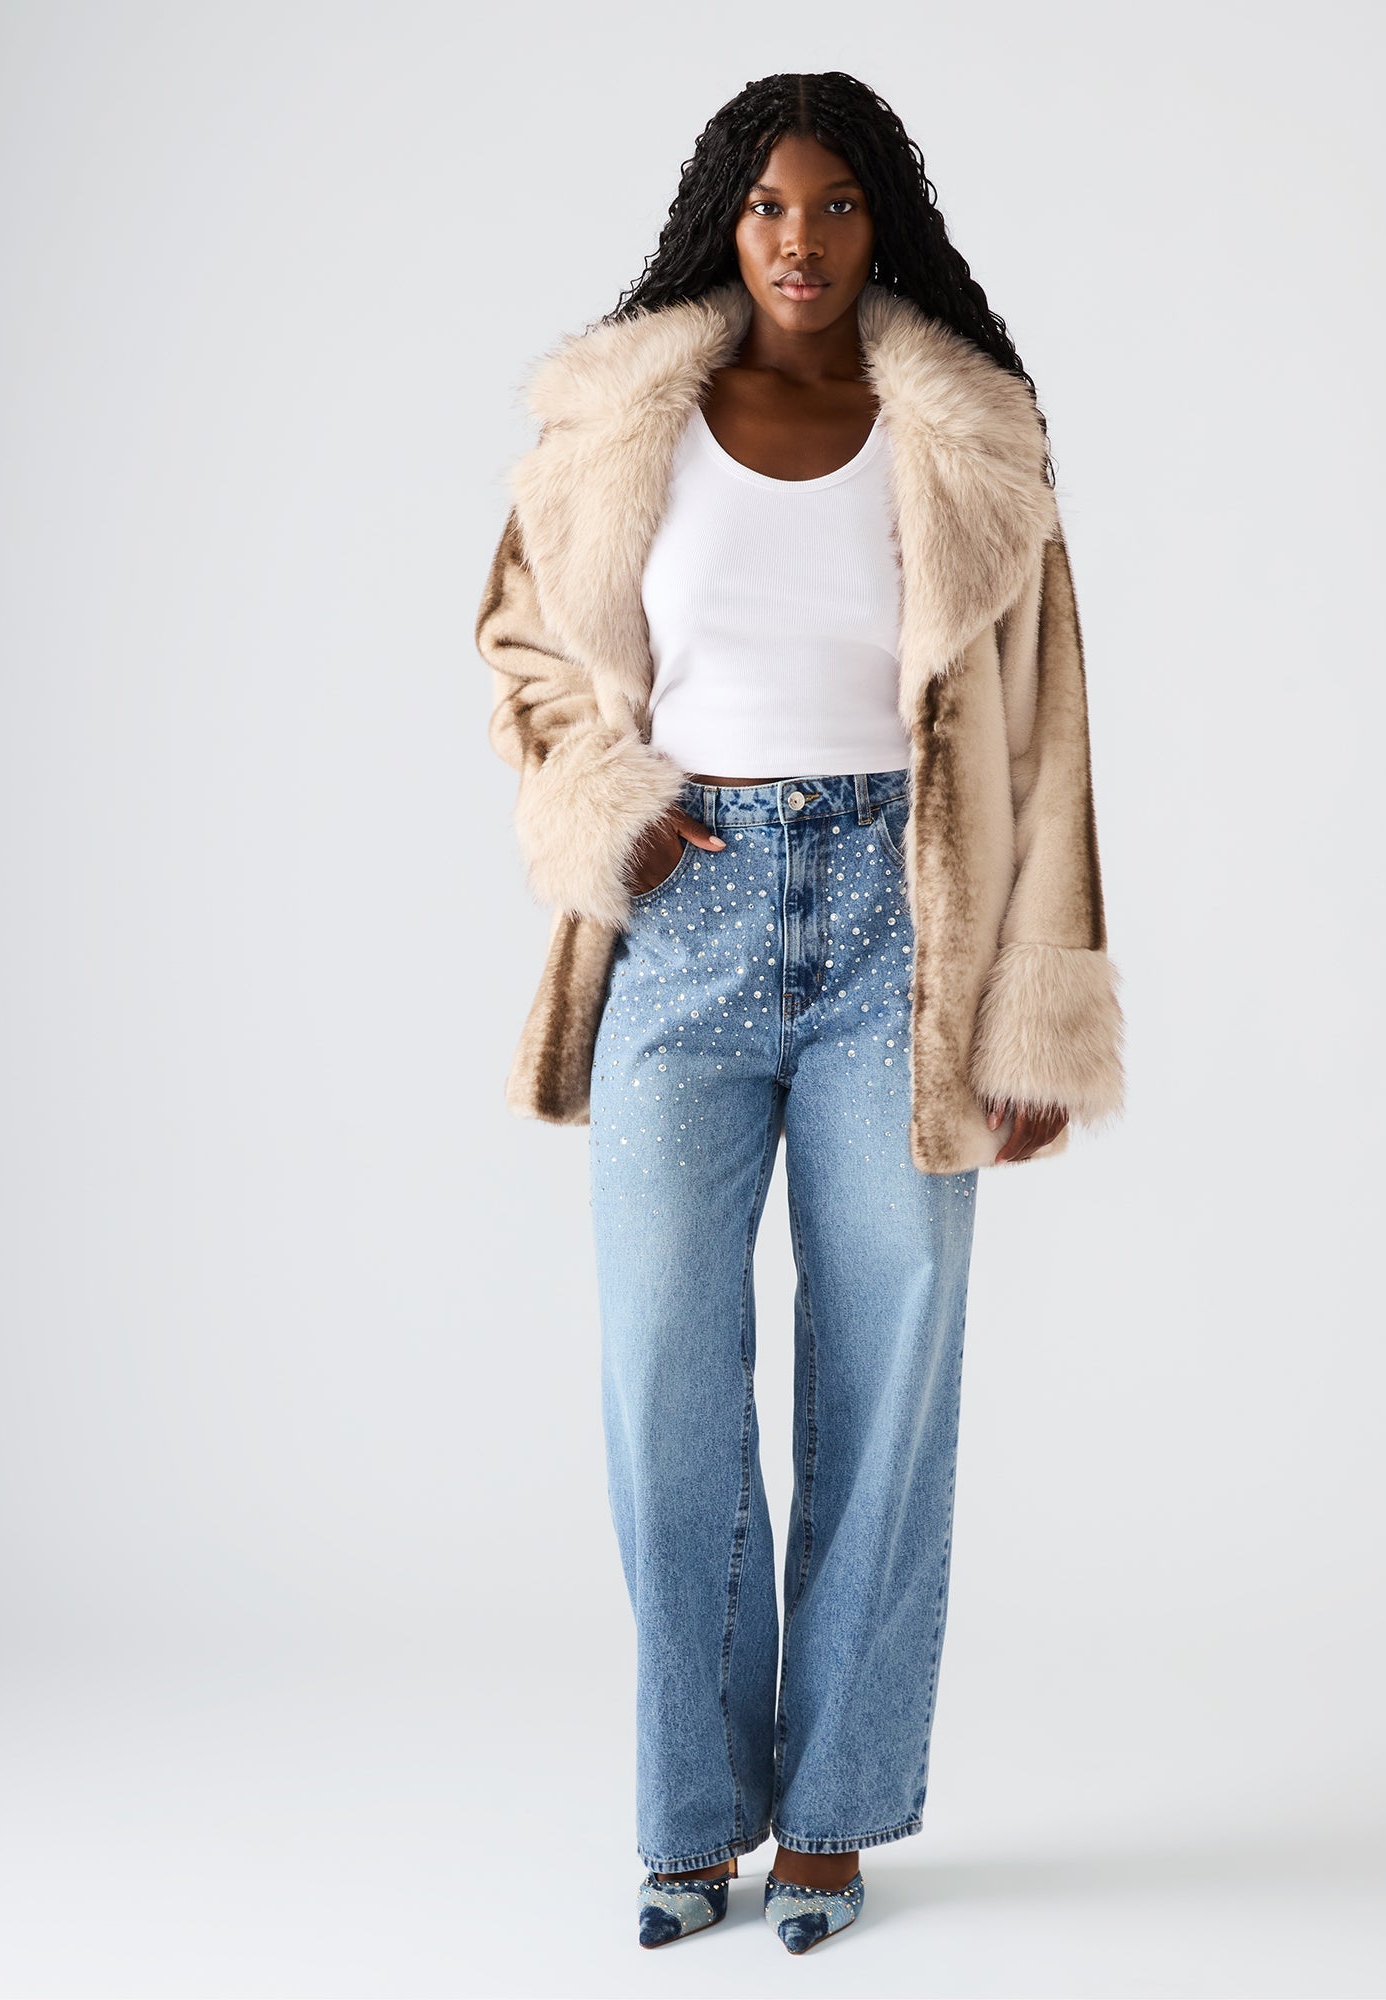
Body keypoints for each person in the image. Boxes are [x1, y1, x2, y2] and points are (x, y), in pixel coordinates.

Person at [474, 70, 1125, 1956]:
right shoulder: (617, 421)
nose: (801, 239)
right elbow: (521, 643)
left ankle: (831, 1815)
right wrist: (605, 802)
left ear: (880, 222)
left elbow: (1051, 736)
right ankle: (693, 1817)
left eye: (836, 205)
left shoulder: (973, 439)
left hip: (902, 933)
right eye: (768, 205)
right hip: (683, 921)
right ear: (724, 219)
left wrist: (1033, 1011)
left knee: (890, 1377)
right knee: (665, 1378)